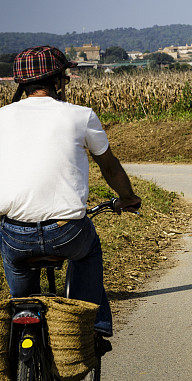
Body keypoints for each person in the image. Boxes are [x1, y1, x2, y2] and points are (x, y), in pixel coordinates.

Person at [0, 46, 141, 342]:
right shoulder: (80, 115)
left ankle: (20, 314)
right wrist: (127, 197)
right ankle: (91, 322)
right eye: (63, 77)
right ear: (55, 81)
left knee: (18, 281)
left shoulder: (2, 117)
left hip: (16, 233)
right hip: (67, 232)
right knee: (88, 251)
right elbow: (109, 165)